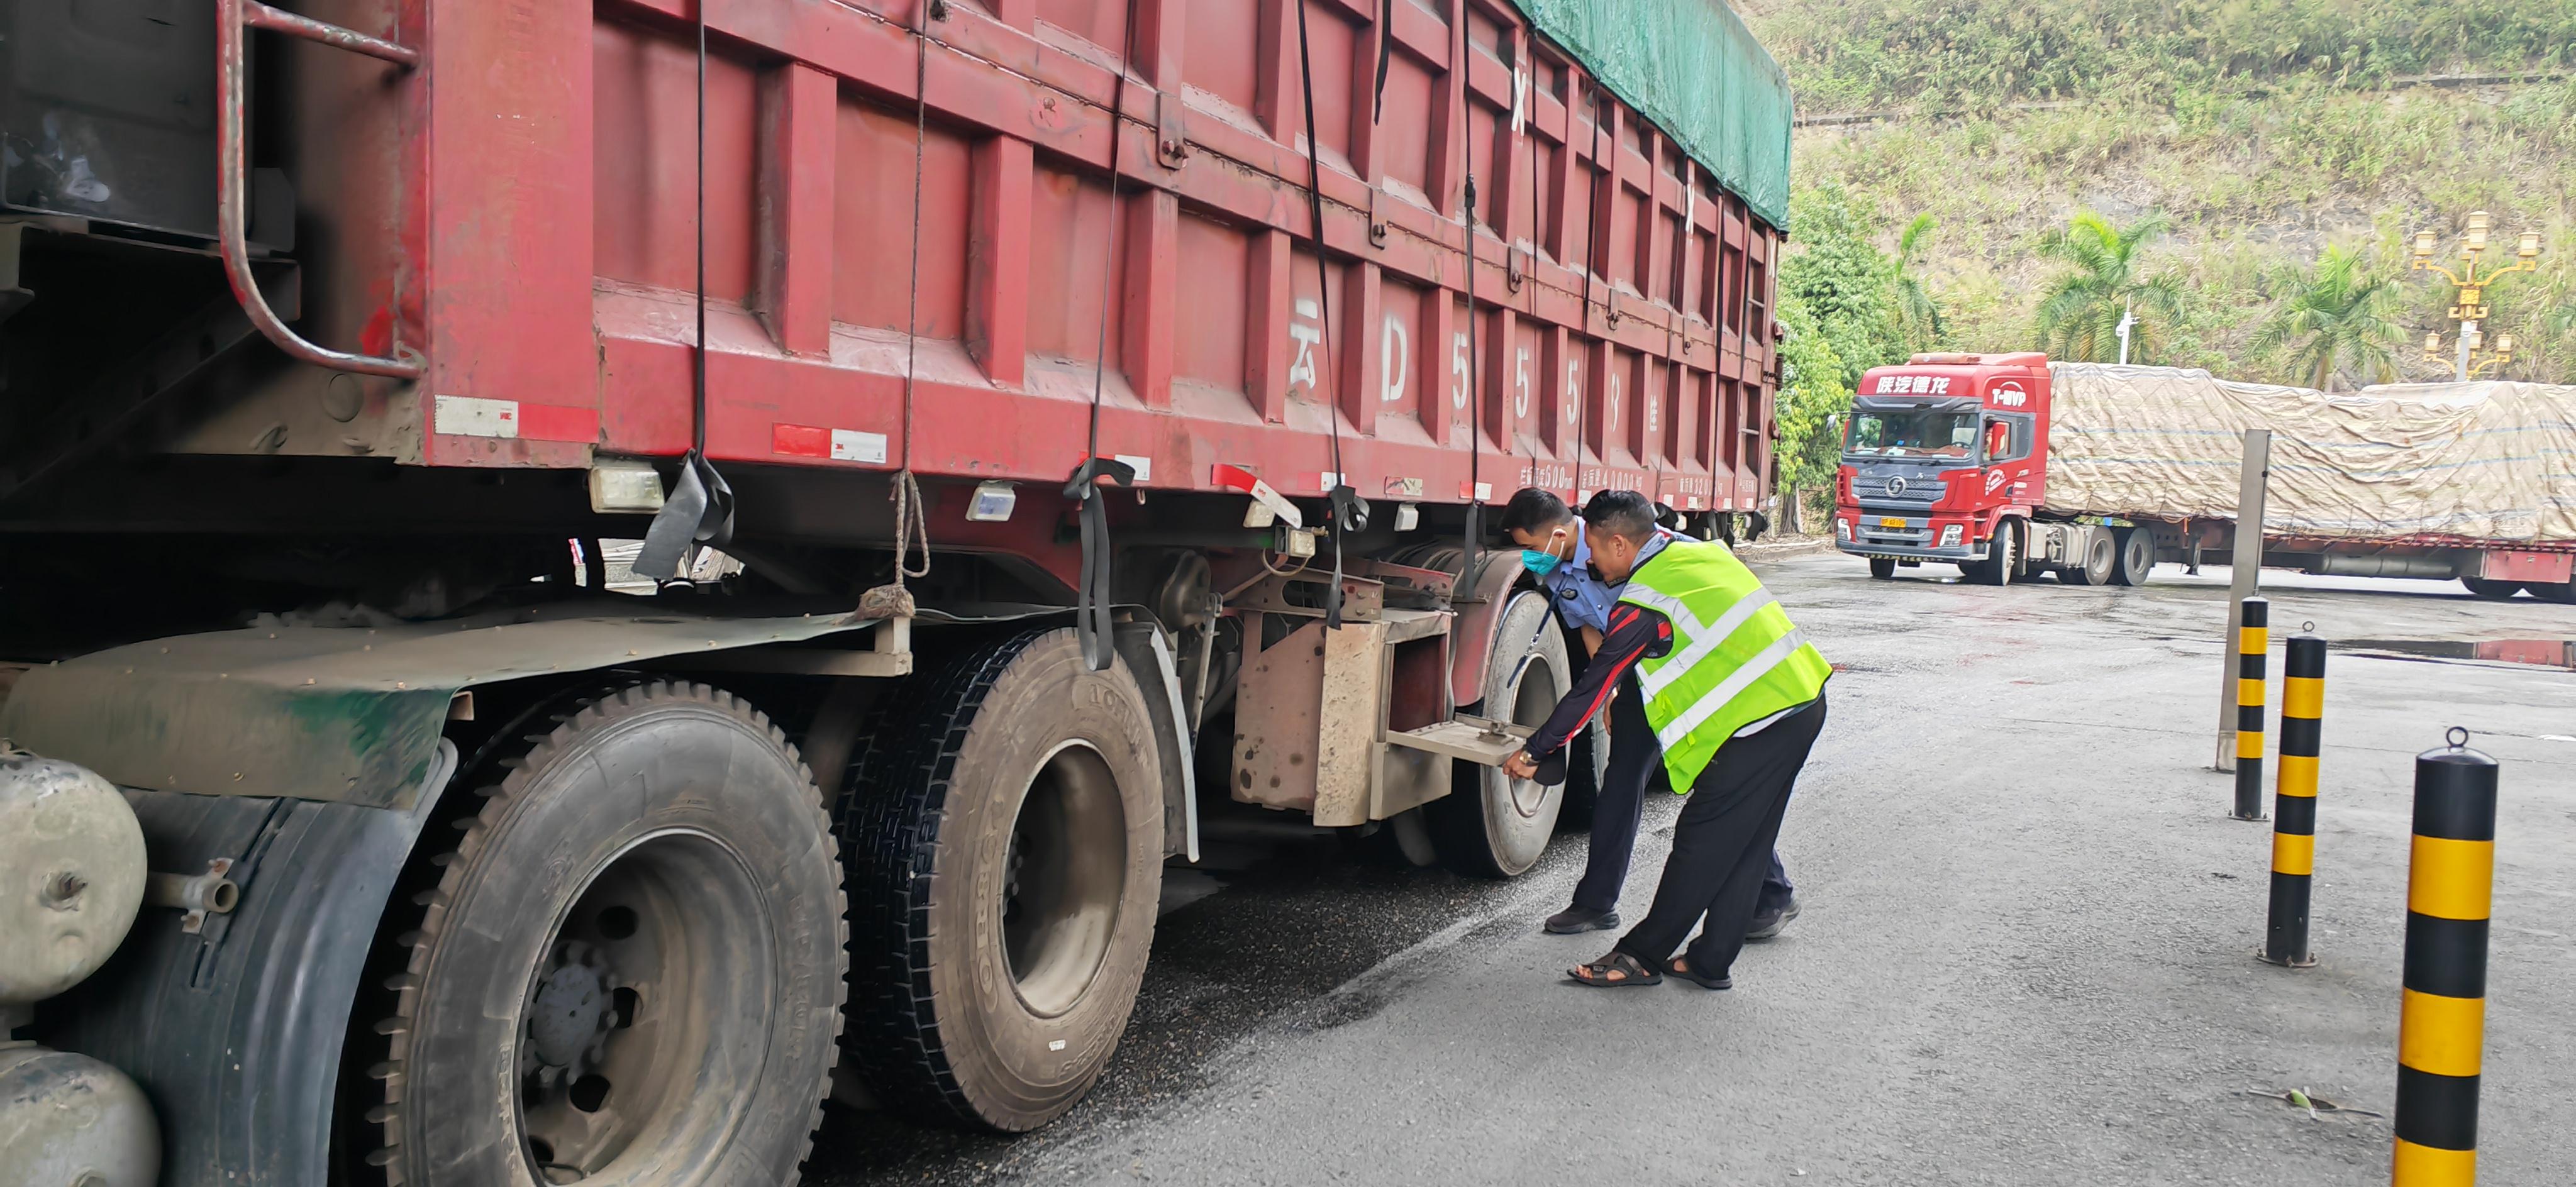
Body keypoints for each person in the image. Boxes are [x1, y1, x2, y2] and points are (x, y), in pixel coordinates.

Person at [1503, 490, 1829, 990]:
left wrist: (1534, 750)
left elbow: (1592, 688)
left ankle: (1640, 956)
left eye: (1594, 546)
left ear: (1618, 543)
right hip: (1797, 698)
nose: (1592, 563)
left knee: (1701, 840)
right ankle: (1711, 961)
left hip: (1764, 720)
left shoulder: (1645, 600)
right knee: (1746, 840)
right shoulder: (1696, 553)